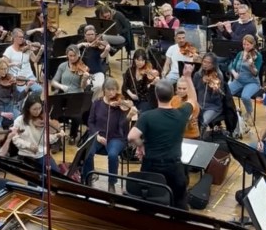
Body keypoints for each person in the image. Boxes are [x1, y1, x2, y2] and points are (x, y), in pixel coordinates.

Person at [128, 76, 196, 209]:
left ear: (156, 95)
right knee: (179, 204)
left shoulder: (147, 116)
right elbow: (193, 100)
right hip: (173, 166)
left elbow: (131, 136)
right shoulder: (181, 114)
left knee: (148, 202)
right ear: (173, 94)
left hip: (151, 166)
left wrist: (141, 145)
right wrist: (188, 77)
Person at [83, 78, 135, 192]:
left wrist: (128, 116)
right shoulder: (97, 103)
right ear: (104, 90)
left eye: (114, 90)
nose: (112, 93)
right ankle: (89, 177)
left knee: (112, 155)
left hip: (116, 137)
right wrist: (96, 136)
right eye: (109, 90)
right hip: (98, 136)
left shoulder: (121, 105)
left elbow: (123, 126)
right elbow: (90, 122)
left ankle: (112, 183)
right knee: (88, 152)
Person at [11, 93, 63, 171]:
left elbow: (45, 140)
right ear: (28, 108)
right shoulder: (19, 121)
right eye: (34, 109)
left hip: (42, 154)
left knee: (56, 172)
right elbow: (15, 139)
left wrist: (56, 136)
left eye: (39, 108)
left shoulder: (42, 119)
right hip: (26, 155)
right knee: (35, 176)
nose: (38, 112)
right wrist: (29, 145)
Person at [51, 46, 92, 142]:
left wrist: (85, 78)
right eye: (70, 56)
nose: (72, 58)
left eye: (74, 56)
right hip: (64, 96)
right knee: (53, 113)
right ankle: (57, 136)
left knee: (76, 116)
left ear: (78, 55)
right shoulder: (62, 66)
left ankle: (73, 135)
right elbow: (53, 81)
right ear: (67, 55)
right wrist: (61, 86)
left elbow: (83, 87)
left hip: (77, 96)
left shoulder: (83, 67)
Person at [228, 35, 263, 124]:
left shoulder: (257, 56)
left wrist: (251, 65)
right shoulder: (240, 54)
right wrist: (234, 73)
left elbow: (255, 73)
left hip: (252, 82)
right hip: (239, 80)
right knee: (226, 92)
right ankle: (232, 110)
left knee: (245, 96)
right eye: (244, 44)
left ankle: (249, 112)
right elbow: (231, 66)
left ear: (253, 44)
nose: (246, 47)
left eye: (248, 45)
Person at [122, 48, 158, 114]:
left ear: (145, 60)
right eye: (138, 60)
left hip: (143, 99)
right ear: (134, 59)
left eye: (142, 60)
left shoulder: (148, 71)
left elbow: (148, 89)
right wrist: (131, 95)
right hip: (131, 97)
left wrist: (153, 82)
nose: (140, 63)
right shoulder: (130, 71)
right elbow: (125, 86)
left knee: (142, 113)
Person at [193, 53, 225, 128]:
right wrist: (202, 82)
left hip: (212, 107)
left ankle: (201, 135)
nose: (205, 64)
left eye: (208, 63)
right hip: (199, 105)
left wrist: (215, 91)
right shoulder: (197, 75)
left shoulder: (218, 76)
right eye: (204, 61)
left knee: (202, 123)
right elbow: (194, 90)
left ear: (214, 64)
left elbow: (220, 98)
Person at [78, 26, 111, 90]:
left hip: (97, 71)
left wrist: (106, 50)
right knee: (84, 87)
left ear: (95, 34)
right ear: (85, 35)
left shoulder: (99, 44)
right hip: (84, 71)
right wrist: (82, 44)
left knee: (98, 86)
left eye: (92, 34)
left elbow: (102, 56)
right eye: (88, 34)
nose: (90, 36)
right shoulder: (81, 43)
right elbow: (73, 49)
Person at [171, 72, 200, 138]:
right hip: (176, 134)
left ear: (188, 89)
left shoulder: (193, 103)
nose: (182, 91)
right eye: (179, 88)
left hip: (191, 136)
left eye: (184, 88)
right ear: (176, 88)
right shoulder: (172, 99)